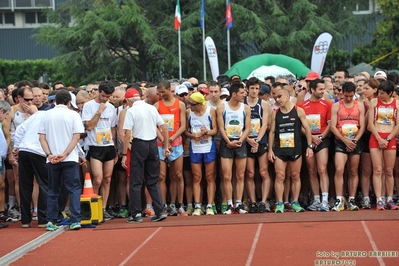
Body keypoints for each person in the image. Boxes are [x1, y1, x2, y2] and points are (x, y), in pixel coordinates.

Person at [38, 89, 84, 231]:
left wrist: (49, 154)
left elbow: (42, 138)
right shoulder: (73, 115)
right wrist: (65, 154)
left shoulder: (46, 115)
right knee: (74, 189)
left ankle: (51, 220)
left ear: (55, 101)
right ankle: (75, 220)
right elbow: (76, 137)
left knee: (53, 190)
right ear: (69, 102)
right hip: (69, 158)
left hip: (52, 159)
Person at [121, 89, 168, 223]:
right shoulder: (151, 109)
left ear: (130, 101)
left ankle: (136, 213)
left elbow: (127, 135)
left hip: (139, 144)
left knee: (136, 181)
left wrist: (124, 154)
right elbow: (164, 128)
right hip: (152, 145)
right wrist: (165, 146)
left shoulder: (131, 111)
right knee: (152, 180)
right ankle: (159, 210)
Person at [268, 89, 314, 213]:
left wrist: (310, 146)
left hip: (295, 149)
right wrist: (270, 150)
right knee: (280, 176)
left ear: (288, 96)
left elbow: (307, 129)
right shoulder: (275, 113)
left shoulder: (298, 110)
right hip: (280, 150)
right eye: (276, 97)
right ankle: (279, 203)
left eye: (280, 96)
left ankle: (295, 202)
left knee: (295, 176)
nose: (277, 99)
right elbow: (272, 132)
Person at [82, 81, 118, 220]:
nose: (105, 99)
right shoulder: (88, 106)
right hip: (94, 146)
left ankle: (103, 209)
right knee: (97, 179)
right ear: (98, 92)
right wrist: (99, 111)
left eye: (108, 97)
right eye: (103, 96)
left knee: (107, 179)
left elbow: (113, 128)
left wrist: (115, 148)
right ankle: (93, 207)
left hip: (108, 145)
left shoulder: (111, 107)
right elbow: (89, 126)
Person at [330, 82, 365, 211]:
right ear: (342, 93)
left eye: (351, 96)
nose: (349, 98)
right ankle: (339, 199)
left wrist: (354, 141)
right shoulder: (336, 106)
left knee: (353, 171)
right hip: (341, 140)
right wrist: (345, 141)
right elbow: (333, 126)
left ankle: (351, 199)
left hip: (355, 141)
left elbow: (362, 126)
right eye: (346, 96)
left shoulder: (359, 106)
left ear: (354, 93)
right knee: (339, 169)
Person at [216, 82, 251, 214]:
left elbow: (247, 128)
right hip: (227, 143)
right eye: (242, 93)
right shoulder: (221, 107)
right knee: (226, 176)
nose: (245, 95)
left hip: (240, 143)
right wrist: (228, 142)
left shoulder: (245, 108)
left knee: (240, 175)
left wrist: (240, 141)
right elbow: (221, 127)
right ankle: (230, 204)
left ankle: (239, 203)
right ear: (234, 94)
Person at [297, 79, 332, 212]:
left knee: (322, 169)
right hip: (308, 140)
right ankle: (316, 199)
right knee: (311, 170)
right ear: (312, 90)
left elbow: (330, 124)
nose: (323, 92)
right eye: (321, 89)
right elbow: (299, 126)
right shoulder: (301, 106)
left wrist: (321, 137)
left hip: (322, 140)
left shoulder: (327, 104)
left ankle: (325, 200)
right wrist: (310, 137)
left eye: (324, 89)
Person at [154, 80, 186, 216]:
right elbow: (154, 126)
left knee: (177, 175)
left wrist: (171, 139)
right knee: (161, 176)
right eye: (159, 92)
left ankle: (177, 204)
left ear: (169, 89)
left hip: (176, 143)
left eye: (163, 92)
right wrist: (164, 141)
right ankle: (162, 205)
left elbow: (183, 126)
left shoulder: (180, 104)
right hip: (161, 144)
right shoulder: (156, 106)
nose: (161, 95)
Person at [185, 92, 218, 216]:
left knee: (210, 177)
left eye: (192, 104)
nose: (190, 106)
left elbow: (215, 129)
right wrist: (193, 135)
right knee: (197, 177)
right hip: (195, 148)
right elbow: (185, 131)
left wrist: (206, 132)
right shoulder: (189, 113)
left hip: (208, 147)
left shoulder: (210, 111)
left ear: (199, 104)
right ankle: (197, 205)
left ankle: (210, 204)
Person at [368, 80, 399, 210]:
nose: (379, 95)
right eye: (379, 92)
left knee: (389, 170)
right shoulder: (374, 102)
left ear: (390, 93)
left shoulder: (397, 103)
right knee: (378, 169)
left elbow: (398, 125)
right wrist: (379, 139)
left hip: (389, 138)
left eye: (382, 93)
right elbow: (370, 124)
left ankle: (390, 198)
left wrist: (387, 138)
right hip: (376, 137)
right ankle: (379, 198)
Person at [243, 78, 270, 213]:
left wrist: (257, 141)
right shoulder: (242, 103)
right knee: (250, 173)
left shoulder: (263, 104)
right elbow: (240, 126)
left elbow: (265, 124)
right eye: (252, 88)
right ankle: (253, 201)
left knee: (263, 172)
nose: (254, 91)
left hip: (261, 140)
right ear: (247, 89)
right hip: (246, 141)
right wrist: (248, 140)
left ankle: (263, 202)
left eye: (257, 88)